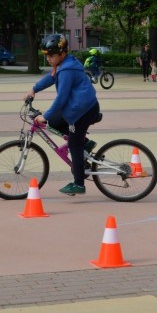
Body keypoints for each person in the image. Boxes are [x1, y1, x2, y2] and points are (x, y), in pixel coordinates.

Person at [24, 34, 100, 196]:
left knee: (74, 145)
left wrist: (45, 115)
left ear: (62, 53)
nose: (49, 59)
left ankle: (79, 184)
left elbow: (62, 98)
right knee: (55, 121)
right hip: (76, 107)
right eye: (47, 56)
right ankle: (85, 142)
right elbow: (51, 78)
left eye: (51, 55)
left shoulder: (66, 69)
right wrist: (34, 89)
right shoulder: (62, 65)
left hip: (84, 110)